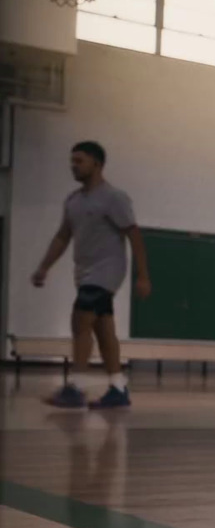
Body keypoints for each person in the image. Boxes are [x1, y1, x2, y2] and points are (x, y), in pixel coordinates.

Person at [31, 141, 150, 409]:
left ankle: (75, 387)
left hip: (107, 270)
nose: (73, 166)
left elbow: (134, 234)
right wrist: (44, 267)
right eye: (72, 161)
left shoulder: (114, 197)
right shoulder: (73, 201)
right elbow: (63, 236)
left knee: (80, 318)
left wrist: (142, 275)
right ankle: (118, 389)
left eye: (79, 161)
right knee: (103, 328)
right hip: (84, 272)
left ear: (97, 164)